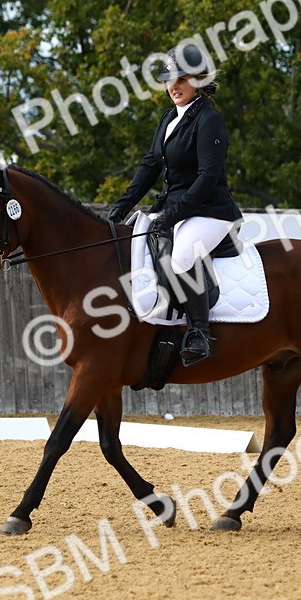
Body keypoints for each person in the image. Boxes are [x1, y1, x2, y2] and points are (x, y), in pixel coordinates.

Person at [108, 43, 243, 367]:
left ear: (198, 80)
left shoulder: (210, 119)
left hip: (210, 211)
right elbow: (150, 165)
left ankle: (200, 333)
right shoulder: (170, 118)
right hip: (176, 207)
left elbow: (208, 176)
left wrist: (173, 213)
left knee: (182, 256)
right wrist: (121, 207)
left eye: (182, 79)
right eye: (169, 79)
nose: (174, 86)